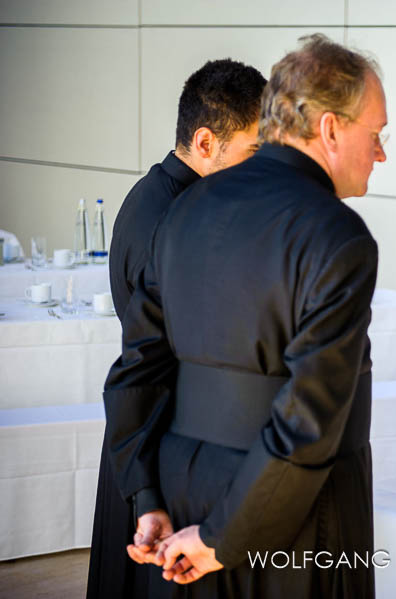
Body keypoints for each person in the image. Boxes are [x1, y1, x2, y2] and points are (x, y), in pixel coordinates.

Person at [103, 33, 386, 598]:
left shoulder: (186, 209)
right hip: (292, 517)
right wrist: (221, 538)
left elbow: (136, 370)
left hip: (178, 492)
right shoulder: (338, 234)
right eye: (375, 134)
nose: (381, 153)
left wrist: (146, 497)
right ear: (330, 129)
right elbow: (307, 420)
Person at [87, 58, 266, 599]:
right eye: (256, 154)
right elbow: (158, 357)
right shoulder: (174, 219)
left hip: (158, 434)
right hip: (157, 443)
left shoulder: (169, 196)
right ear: (206, 142)